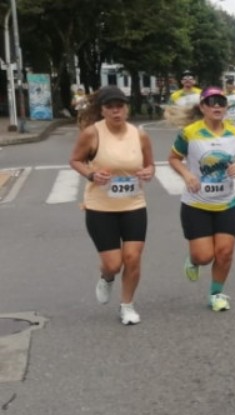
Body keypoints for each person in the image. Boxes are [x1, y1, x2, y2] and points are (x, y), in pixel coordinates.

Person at [68, 85, 155, 325]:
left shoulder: (140, 135)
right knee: (113, 264)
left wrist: (148, 172)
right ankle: (106, 277)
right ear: (102, 110)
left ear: (127, 109)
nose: (116, 111)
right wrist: (91, 175)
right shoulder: (92, 134)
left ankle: (127, 306)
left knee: (133, 258)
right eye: (110, 107)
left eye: (120, 106)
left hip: (134, 205)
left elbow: (150, 165)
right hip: (101, 207)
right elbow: (75, 160)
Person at [167, 86, 235, 312]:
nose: (217, 106)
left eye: (221, 102)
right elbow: (173, 158)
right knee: (204, 256)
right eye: (211, 102)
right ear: (202, 107)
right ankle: (193, 260)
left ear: (226, 107)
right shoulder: (190, 133)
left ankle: (216, 294)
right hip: (196, 204)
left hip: (227, 203)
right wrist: (187, 175)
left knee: (225, 253)